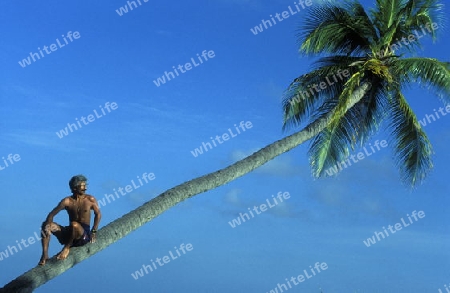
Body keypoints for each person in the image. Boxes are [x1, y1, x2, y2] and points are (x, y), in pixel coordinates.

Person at [38, 174, 101, 265]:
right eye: (83, 186)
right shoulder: (67, 201)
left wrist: (94, 231)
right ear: (75, 188)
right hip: (70, 233)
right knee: (46, 225)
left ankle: (66, 248)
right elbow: (52, 214)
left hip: (83, 236)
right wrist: (48, 225)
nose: (85, 188)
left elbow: (98, 214)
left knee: (74, 224)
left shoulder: (90, 199)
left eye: (86, 185)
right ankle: (44, 255)